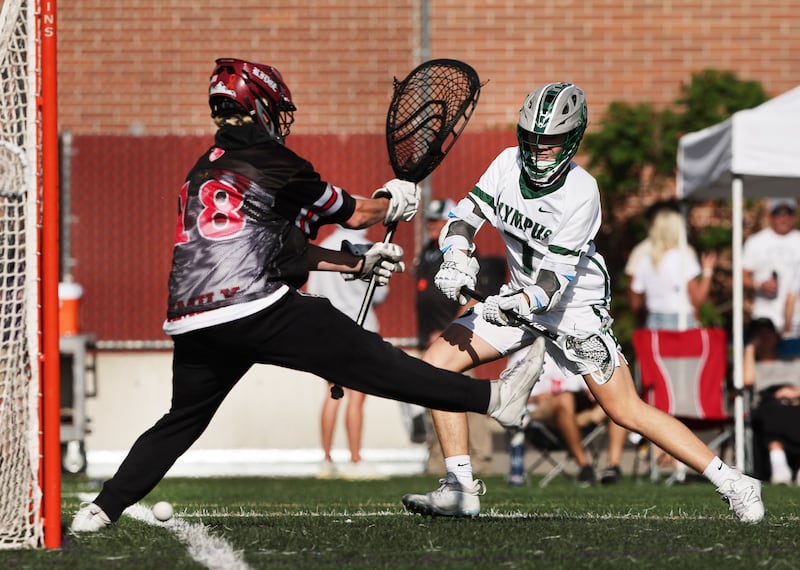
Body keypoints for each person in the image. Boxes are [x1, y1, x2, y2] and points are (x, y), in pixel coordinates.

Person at [69, 58, 547, 532]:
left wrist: (356, 263)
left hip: (191, 317)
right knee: (374, 362)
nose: (280, 121)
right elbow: (355, 215)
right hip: (252, 307)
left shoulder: (202, 171)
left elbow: (285, 251)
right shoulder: (276, 162)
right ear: (260, 109)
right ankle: (492, 398)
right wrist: (391, 201)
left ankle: (101, 509)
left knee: (181, 421)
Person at [401, 82, 764, 523]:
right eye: (531, 142)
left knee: (624, 410)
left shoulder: (581, 191)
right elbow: (464, 219)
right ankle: (459, 487)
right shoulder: (505, 163)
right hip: (517, 295)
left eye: (549, 144)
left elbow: (552, 281)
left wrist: (517, 301)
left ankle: (734, 481)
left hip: (573, 308)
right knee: (436, 366)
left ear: (571, 140)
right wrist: (457, 258)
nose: (537, 154)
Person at [306, 225, 388, 479]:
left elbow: (311, 291)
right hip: (360, 326)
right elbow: (380, 292)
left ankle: (327, 459)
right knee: (357, 395)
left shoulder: (325, 246)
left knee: (332, 392)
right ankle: (355, 459)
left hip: (329, 328)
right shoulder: (368, 249)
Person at [508, 353, 628, 487]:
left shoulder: (571, 353)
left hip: (575, 418)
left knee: (617, 404)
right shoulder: (523, 355)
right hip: (540, 423)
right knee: (565, 399)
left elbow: (587, 389)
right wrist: (535, 398)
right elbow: (507, 398)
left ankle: (613, 466)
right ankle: (584, 467)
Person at [628, 208, 717, 330]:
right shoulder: (683, 257)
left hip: (653, 320)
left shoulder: (645, 259)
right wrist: (708, 271)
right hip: (680, 321)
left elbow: (636, 300)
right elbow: (698, 298)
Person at [743, 318, 800, 485]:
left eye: (768, 331)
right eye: (759, 333)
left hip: (795, 400)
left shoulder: (793, 362)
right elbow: (746, 381)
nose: (764, 336)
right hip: (768, 403)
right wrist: (749, 349)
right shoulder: (753, 366)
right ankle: (778, 462)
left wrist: (794, 392)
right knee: (771, 408)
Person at [742, 198, 800, 336]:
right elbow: (741, 276)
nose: (783, 218)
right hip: (765, 317)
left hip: (796, 320)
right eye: (778, 213)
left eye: (788, 213)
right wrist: (759, 285)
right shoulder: (756, 241)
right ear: (770, 215)